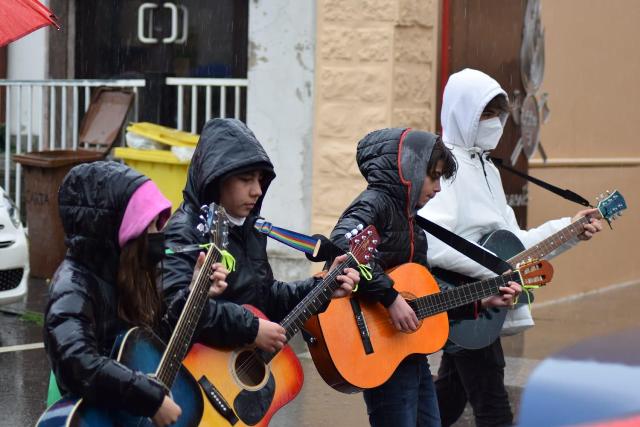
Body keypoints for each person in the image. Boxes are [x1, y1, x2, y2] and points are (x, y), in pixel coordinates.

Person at [418, 68, 603, 427]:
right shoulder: (446, 169)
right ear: (462, 113)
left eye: (498, 115)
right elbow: (432, 241)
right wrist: (494, 269)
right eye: (485, 114)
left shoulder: (487, 168)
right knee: (494, 408)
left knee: (449, 399)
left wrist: (570, 229)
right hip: (466, 299)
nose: (495, 124)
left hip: (481, 310)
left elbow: (514, 245)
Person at [328, 127, 522, 427]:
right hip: (381, 350)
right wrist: (390, 298)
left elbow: (421, 301)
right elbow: (344, 247)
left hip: (409, 351)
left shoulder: (413, 224)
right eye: (434, 176)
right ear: (410, 170)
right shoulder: (374, 204)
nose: (438, 188)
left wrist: (481, 301)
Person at [43, 161, 228, 427]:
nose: (160, 235)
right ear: (119, 229)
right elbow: (76, 361)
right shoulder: (73, 286)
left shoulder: (128, 277)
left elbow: (152, 348)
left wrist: (193, 294)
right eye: (151, 225)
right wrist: (149, 398)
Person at [162, 118, 359, 356]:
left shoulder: (250, 227)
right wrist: (251, 328)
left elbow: (265, 296)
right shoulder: (184, 231)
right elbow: (176, 309)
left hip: (242, 366)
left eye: (260, 180)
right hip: (196, 371)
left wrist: (322, 287)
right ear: (216, 178)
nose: (257, 190)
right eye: (246, 180)